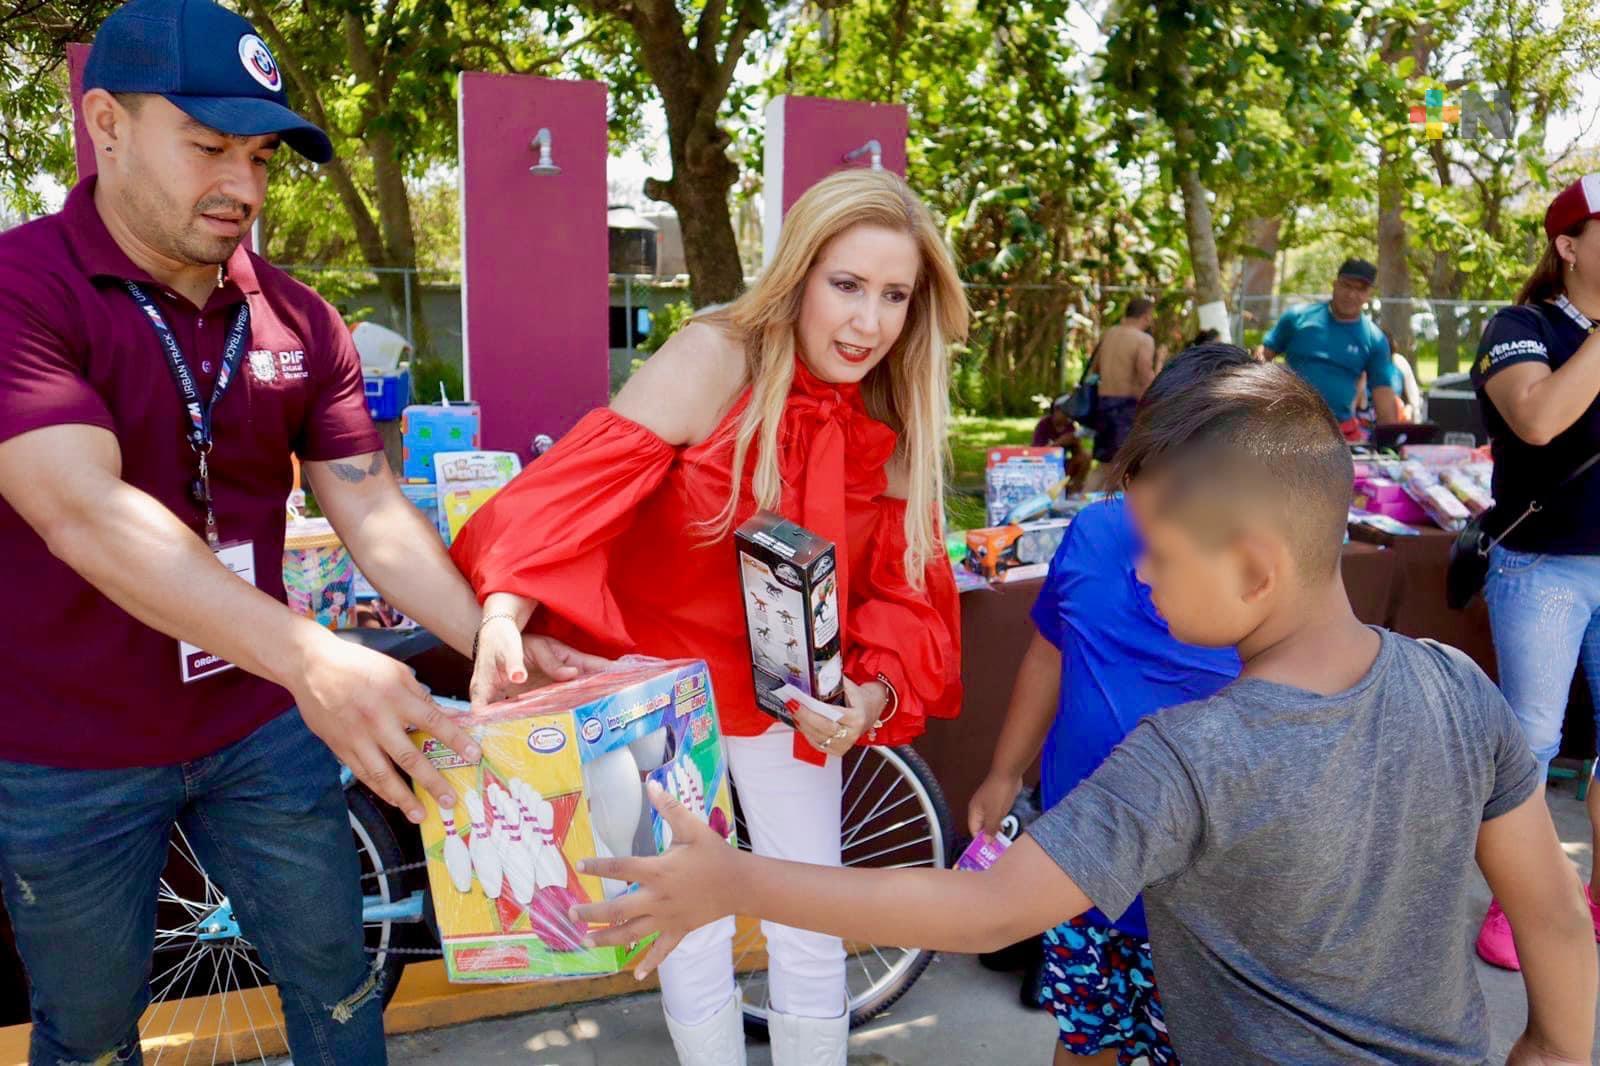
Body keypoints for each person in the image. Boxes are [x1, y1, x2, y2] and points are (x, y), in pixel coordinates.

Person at [575, 361, 1597, 1066]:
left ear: (1253, 569)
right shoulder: (1456, 684)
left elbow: (985, 911)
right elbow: (1553, 913)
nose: (1140, 577)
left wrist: (736, 880)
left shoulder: (1186, 758)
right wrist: (1553, 1049)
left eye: (1157, 553)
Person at [0, 2, 598, 1060]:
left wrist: (488, 638)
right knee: (88, 1027)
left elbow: (368, 506)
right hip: (68, 748)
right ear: (106, 124)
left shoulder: (300, 318)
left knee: (337, 983)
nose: (243, 187)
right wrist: (314, 658)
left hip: (255, 725)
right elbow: (81, 509)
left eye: (262, 156)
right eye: (209, 147)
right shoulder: (21, 288)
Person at [451, 167, 967, 1066]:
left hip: (788, 702)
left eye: (895, 296)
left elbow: (905, 593)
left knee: (810, 918)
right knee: (685, 931)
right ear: (798, 274)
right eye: (847, 285)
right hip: (660, 691)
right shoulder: (713, 358)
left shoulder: (893, 405)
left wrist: (869, 696)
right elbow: (573, 493)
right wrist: (503, 615)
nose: (868, 323)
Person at [968, 344, 1249, 1066]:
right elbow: (1049, 653)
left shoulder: (1259, 590)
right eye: (1149, 469)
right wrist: (1004, 773)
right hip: (1079, 871)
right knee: (1084, 1038)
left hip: (1199, 900)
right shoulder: (1093, 534)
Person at [1470, 172, 1600, 970]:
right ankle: (1517, 904)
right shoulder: (1521, 326)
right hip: (1542, 568)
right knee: (1531, 742)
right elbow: (1540, 418)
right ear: (1568, 246)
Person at [1260, 257, 1401, 438]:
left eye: (1361, 289)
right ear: (1335, 284)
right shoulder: (1297, 317)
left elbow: (1384, 396)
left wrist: (1392, 442)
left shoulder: (1375, 339)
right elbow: (1263, 357)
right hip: (1289, 426)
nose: (1351, 294)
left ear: (1369, 294)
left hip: (1339, 432)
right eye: (1346, 285)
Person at [1084, 297, 1157, 488]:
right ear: (1146, 316)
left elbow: (1096, 367)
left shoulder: (1110, 334)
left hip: (1103, 403)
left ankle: (1084, 500)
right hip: (1125, 407)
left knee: (1103, 464)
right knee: (1126, 466)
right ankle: (1128, 505)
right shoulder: (1143, 340)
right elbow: (1144, 373)